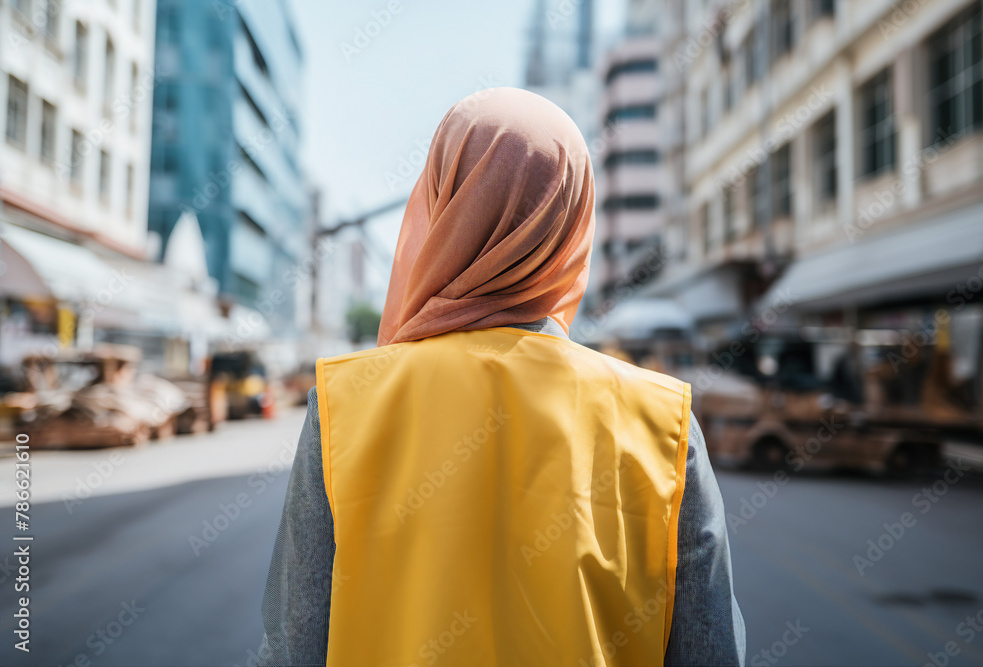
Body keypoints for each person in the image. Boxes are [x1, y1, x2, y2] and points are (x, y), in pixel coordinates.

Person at [259, 88, 744, 667]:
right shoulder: (663, 423)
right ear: (572, 222)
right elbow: (710, 653)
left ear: (441, 206)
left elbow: (294, 648)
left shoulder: (345, 407)